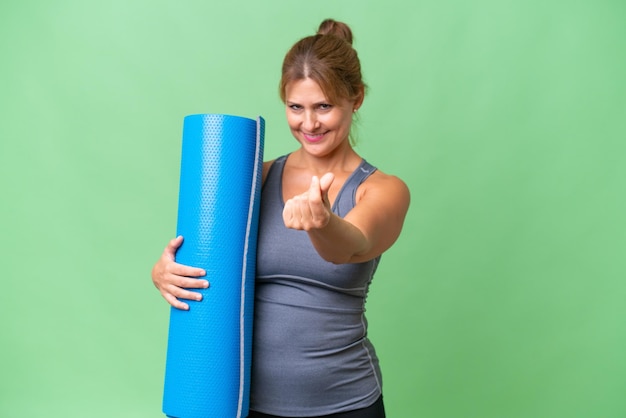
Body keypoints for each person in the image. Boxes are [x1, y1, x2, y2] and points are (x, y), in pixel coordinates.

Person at [152, 18, 410, 418]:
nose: (308, 124)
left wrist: (323, 222)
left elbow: (354, 244)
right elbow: (211, 264)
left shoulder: (381, 189)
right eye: (296, 107)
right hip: (243, 402)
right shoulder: (256, 178)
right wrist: (167, 273)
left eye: (323, 106)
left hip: (345, 404)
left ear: (355, 98)